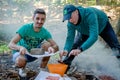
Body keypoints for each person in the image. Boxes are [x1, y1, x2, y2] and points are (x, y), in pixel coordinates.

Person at [59, 4, 120, 73]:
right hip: (84, 31)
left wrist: (80, 49)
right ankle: (64, 68)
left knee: (116, 46)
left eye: (70, 17)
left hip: (103, 26)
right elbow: (70, 38)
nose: (70, 20)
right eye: (67, 18)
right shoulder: (70, 23)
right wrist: (66, 49)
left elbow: (94, 36)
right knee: (74, 46)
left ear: (76, 12)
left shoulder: (90, 14)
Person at [8, 8, 59, 77]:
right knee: (20, 61)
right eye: (37, 18)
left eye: (42, 19)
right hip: (21, 54)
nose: (40, 21)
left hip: (34, 54)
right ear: (33, 18)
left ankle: (42, 70)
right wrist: (20, 47)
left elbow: (56, 46)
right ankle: (22, 68)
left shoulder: (45, 32)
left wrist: (52, 48)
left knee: (48, 45)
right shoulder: (25, 28)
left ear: (45, 20)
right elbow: (10, 44)